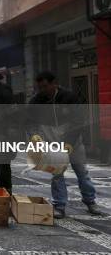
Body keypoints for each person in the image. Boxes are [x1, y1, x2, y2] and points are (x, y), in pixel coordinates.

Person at [29, 71, 104, 219]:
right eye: (39, 87)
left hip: (73, 143)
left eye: (45, 86)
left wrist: (69, 143)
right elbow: (29, 122)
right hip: (53, 144)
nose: (42, 90)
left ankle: (90, 202)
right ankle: (59, 206)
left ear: (54, 83)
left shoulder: (69, 97)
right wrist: (35, 138)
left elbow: (78, 121)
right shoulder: (36, 102)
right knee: (57, 175)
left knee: (82, 172)